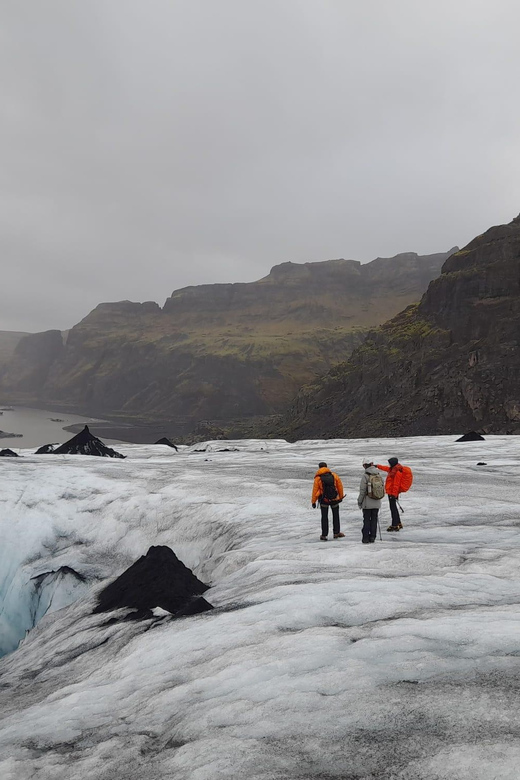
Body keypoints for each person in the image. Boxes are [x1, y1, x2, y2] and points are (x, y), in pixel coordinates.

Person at [311, 462, 345, 541]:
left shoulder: (318, 478)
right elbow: (340, 486)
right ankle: (336, 533)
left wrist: (313, 502)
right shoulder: (334, 475)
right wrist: (340, 497)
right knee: (336, 515)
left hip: (324, 500)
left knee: (324, 517)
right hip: (334, 499)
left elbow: (315, 491)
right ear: (326, 467)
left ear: (319, 468)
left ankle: (324, 535)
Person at [357, 459, 383, 543]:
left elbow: (362, 491)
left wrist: (359, 501)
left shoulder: (365, 476)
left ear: (365, 466)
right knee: (374, 519)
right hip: (377, 501)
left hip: (367, 503)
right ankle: (372, 537)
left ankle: (365, 538)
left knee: (367, 520)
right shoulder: (378, 474)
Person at [376, 457, 404, 531]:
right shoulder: (393, 469)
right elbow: (385, 468)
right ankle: (398, 522)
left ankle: (394, 524)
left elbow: (396, 485)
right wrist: (377, 466)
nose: (389, 464)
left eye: (389, 463)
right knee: (393, 508)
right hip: (391, 492)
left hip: (393, 493)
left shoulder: (397, 472)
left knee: (393, 508)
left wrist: (394, 495)